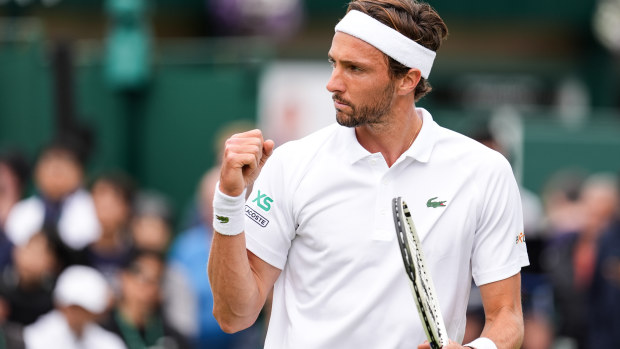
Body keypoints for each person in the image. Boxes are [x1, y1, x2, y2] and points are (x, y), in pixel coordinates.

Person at [208, 1, 529, 348]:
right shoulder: (292, 164)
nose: (333, 83)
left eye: (354, 69)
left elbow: (506, 316)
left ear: (408, 79)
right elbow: (233, 315)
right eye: (334, 63)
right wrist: (228, 203)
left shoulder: (486, 172)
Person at [101, 248, 188, 349]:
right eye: (144, 278)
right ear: (124, 277)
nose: (150, 288)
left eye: (157, 279)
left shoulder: (174, 338)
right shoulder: (102, 333)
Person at [22, 265, 125, 349]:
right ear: (62, 306)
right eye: (76, 308)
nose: (79, 315)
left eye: (85, 310)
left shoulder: (108, 342)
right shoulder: (35, 337)